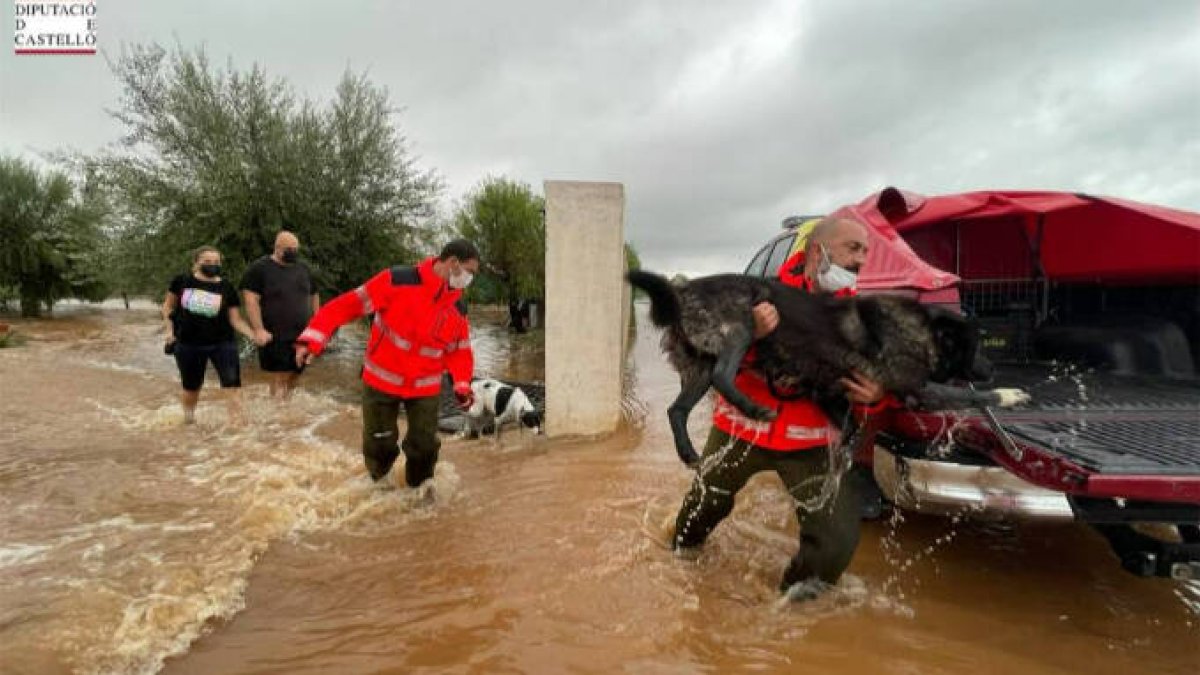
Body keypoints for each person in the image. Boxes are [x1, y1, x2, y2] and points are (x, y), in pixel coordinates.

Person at [671, 216, 894, 596]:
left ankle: (790, 613)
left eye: (866, 252)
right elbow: (699, 353)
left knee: (836, 542)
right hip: (740, 431)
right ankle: (678, 561)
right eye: (853, 248)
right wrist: (750, 335)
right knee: (700, 512)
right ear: (817, 252)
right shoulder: (758, 295)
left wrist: (876, 394)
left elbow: (880, 381)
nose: (861, 260)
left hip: (809, 446)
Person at [294, 240, 480, 488]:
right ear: (453, 263)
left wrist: (462, 383)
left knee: (425, 447)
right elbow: (346, 306)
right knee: (379, 444)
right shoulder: (396, 280)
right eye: (470, 271)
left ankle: (419, 496)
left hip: (425, 388)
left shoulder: (457, 306)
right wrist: (313, 339)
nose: (470, 279)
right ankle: (379, 489)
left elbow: (459, 351)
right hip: (381, 381)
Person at [161, 246, 259, 424]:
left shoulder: (226, 287)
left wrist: (253, 334)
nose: (212, 265)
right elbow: (168, 307)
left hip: (223, 343)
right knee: (192, 388)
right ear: (196, 262)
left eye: (216, 262)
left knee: (232, 385)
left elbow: (235, 319)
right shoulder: (182, 281)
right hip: (188, 344)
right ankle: (188, 422)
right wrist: (169, 332)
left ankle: (237, 427)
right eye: (207, 262)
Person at [240, 230, 320, 399]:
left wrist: (317, 321)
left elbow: (314, 294)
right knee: (279, 377)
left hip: (302, 334)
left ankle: (287, 406)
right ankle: (277, 416)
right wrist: (259, 329)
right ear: (277, 247)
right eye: (288, 249)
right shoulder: (259, 269)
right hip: (274, 334)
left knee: (297, 373)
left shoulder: (304, 269)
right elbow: (250, 300)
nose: (293, 253)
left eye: (295, 249)